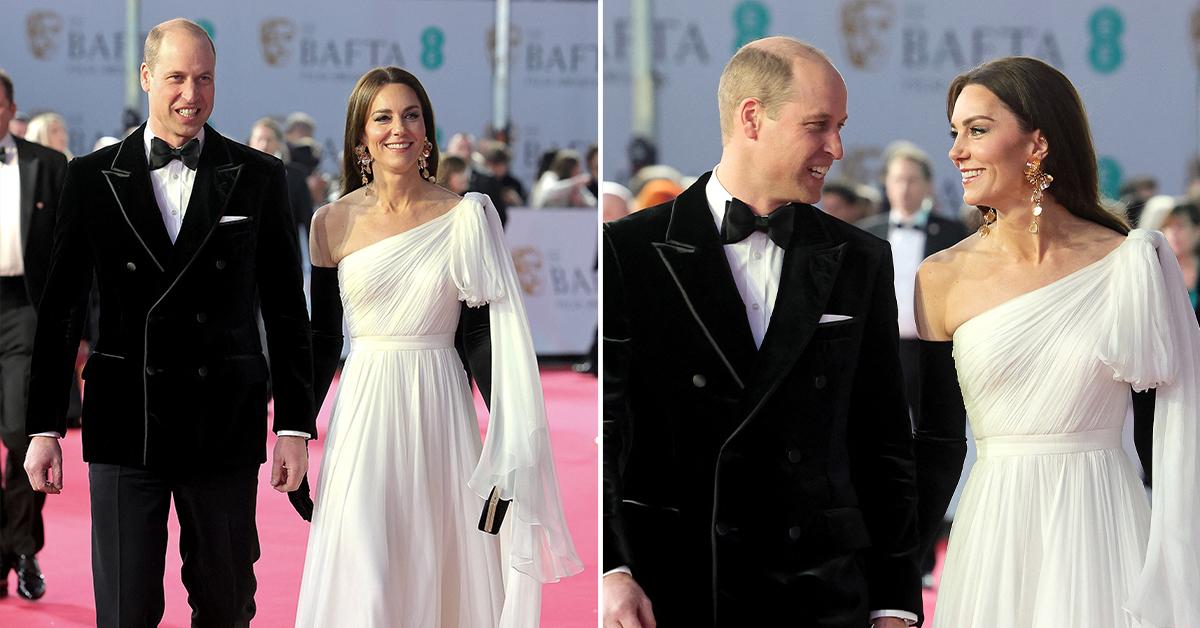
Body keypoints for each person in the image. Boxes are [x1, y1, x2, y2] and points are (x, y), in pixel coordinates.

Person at [603, 37, 921, 628]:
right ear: (752, 117)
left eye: (841, 127)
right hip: (677, 582)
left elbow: (884, 442)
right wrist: (611, 569)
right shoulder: (630, 251)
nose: (838, 149)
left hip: (820, 589)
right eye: (818, 126)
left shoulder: (860, 259)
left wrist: (896, 599)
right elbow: (607, 428)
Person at [22, 19, 314, 627]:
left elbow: (287, 311)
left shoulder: (259, 178)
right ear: (147, 77)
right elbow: (61, 313)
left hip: (224, 425)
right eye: (177, 77)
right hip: (128, 423)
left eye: (204, 78)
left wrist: (293, 425)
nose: (192, 93)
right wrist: (44, 427)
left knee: (227, 605)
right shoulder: (89, 178)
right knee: (125, 611)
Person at [915, 56, 1200, 627]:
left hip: (1105, 528)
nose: (956, 152)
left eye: (976, 130)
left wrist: (1178, 571)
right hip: (994, 532)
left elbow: (1177, 429)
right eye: (954, 133)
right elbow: (931, 444)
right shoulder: (939, 278)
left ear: (1036, 143)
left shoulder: (1133, 263)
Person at [294, 65, 582, 628]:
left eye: (411, 115)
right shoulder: (329, 223)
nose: (398, 128)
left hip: (440, 412)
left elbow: (480, 340)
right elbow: (323, 340)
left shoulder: (465, 217)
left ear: (427, 131)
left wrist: (509, 442)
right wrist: (297, 433)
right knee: (367, 576)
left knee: (435, 570)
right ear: (360, 138)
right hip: (363, 415)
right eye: (382, 117)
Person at [856, 143, 968, 587]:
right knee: (884, 448)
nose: (903, 188)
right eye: (896, 179)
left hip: (934, 352)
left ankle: (925, 552)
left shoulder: (953, 233)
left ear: (925, 186)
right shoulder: (867, 232)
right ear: (886, 185)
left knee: (934, 447)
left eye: (911, 179)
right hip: (881, 353)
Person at [0, 68, 67, 601]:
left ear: (11, 108)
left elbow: (74, 258)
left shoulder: (47, 166)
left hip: (25, 306)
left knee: (23, 434)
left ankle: (21, 549)